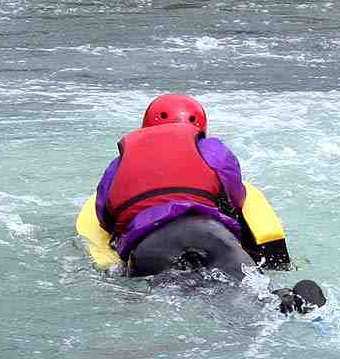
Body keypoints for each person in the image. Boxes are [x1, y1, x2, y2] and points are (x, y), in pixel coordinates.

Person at [89, 94, 323, 313]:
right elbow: (236, 197)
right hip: (210, 235)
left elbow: (105, 217)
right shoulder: (210, 149)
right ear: (201, 126)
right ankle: (295, 306)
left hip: (149, 250)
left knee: (196, 305)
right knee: (260, 298)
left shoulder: (117, 164)